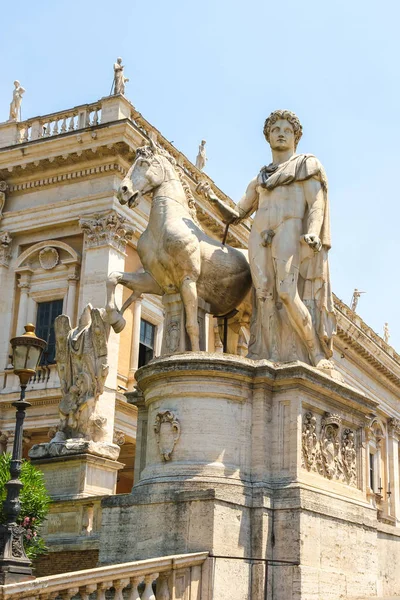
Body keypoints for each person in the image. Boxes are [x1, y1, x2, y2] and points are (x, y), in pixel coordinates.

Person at [198, 109, 336, 369]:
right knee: (262, 297)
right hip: (259, 235)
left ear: (296, 137)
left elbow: (316, 203)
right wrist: (212, 199)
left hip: (290, 229)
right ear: (268, 137)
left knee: (285, 292)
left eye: (287, 130)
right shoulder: (259, 179)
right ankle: (266, 355)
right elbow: (237, 214)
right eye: (275, 130)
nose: (281, 134)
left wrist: (314, 232)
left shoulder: (305, 165)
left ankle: (315, 353)